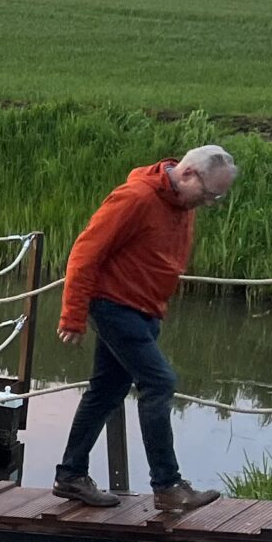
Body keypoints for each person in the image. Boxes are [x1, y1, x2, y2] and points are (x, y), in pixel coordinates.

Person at [52, 144, 238, 512]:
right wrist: (73, 315)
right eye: (209, 194)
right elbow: (84, 254)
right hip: (113, 305)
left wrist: (156, 309)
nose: (209, 203)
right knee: (159, 382)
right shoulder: (134, 198)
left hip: (145, 310)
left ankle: (71, 475)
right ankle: (167, 486)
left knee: (106, 390)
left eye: (216, 196)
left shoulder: (182, 203)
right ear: (188, 174)